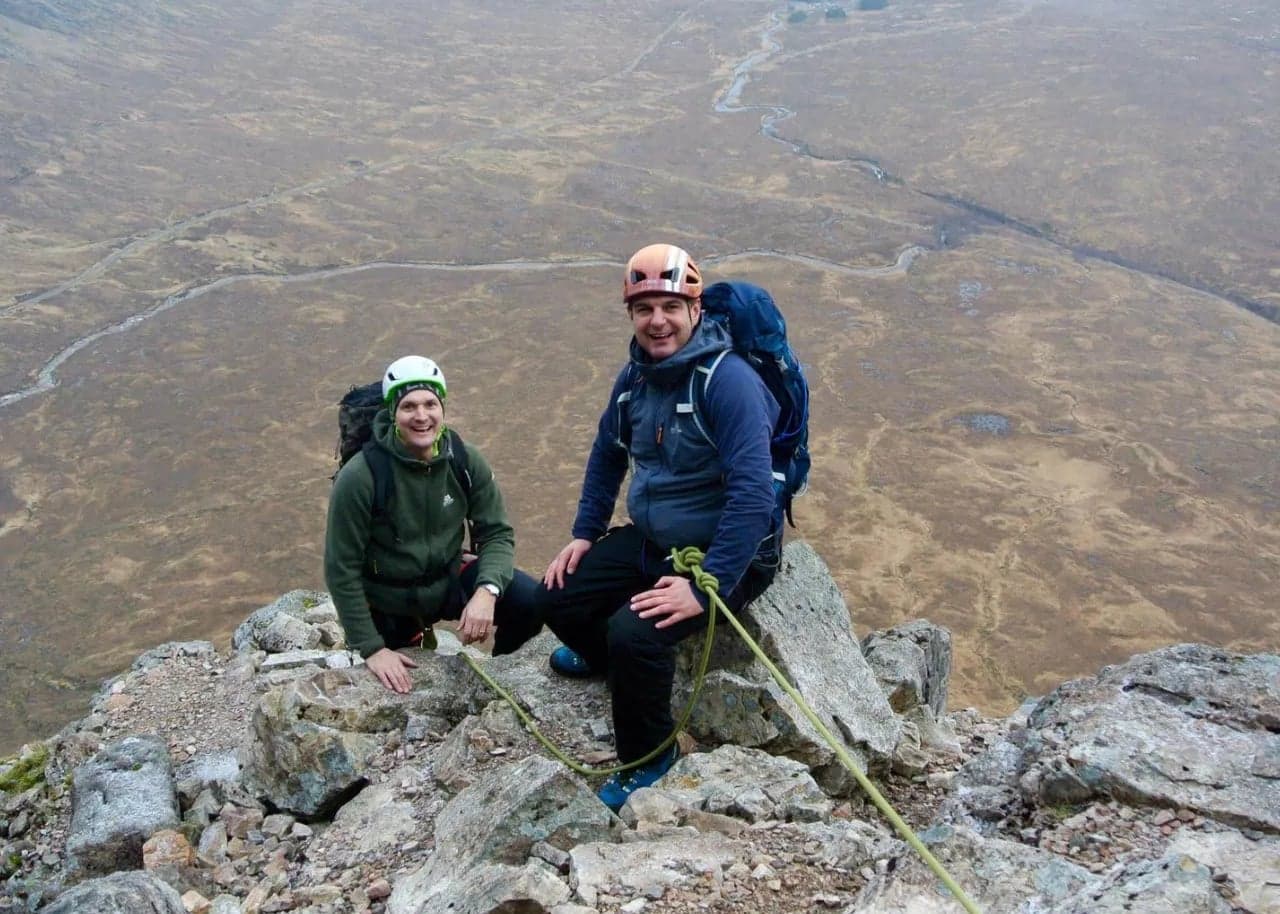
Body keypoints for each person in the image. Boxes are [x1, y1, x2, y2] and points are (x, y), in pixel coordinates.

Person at [540, 243, 781, 811]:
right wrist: (584, 531)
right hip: (654, 540)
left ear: (696, 310)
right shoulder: (636, 378)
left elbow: (752, 495)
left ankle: (650, 757)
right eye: (644, 308)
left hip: (729, 555)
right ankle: (611, 666)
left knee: (635, 633)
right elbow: (607, 453)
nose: (657, 320)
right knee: (560, 597)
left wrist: (706, 585)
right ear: (631, 315)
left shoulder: (728, 383)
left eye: (670, 306)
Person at [325, 355, 542, 693]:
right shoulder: (361, 477)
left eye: (430, 403)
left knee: (530, 601)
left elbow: (496, 533)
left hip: (446, 580)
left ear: (443, 407)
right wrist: (372, 648)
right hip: (388, 601)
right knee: (395, 688)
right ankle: (403, 640)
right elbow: (342, 567)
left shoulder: (464, 460)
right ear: (392, 412)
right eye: (409, 406)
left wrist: (487, 590)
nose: (422, 416)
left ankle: (501, 681)